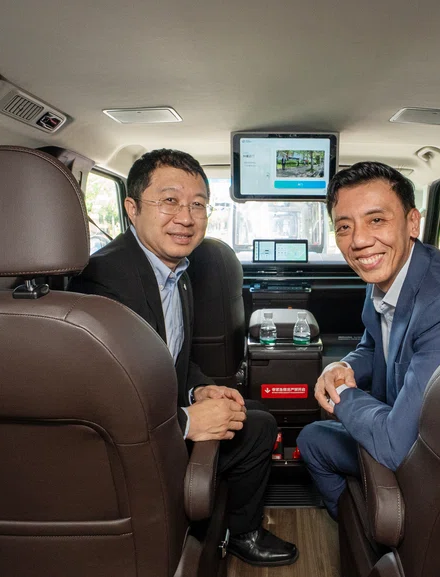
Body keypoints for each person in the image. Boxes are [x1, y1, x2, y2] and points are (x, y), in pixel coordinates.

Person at [69, 149, 298, 567]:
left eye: (198, 205)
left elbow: (173, 358)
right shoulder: (105, 282)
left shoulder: (177, 272)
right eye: (170, 201)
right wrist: (188, 421)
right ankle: (242, 533)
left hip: (157, 413)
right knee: (257, 425)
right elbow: (94, 404)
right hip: (123, 450)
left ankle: (238, 530)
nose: (187, 217)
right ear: (132, 208)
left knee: (256, 419)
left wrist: (200, 386)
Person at [297, 162, 440, 518]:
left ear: (412, 223)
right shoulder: (386, 273)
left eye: (376, 220)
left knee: (313, 440)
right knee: (315, 434)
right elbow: (374, 343)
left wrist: (343, 394)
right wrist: (343, 366)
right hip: (404, 423)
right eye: (344, 227)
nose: (359, 241)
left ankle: (378, 536)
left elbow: (396, 445)